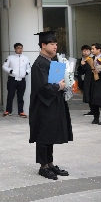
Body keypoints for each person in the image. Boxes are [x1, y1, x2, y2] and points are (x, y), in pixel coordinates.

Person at [29, 31, 72, 180]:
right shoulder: (39, 64)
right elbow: (42, 88)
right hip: (43, 105)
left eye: (56, 44)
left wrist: (66, 83)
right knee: (43, 134)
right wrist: (59, 86)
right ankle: (43, 167)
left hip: (52, 103)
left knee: (50, 134)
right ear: (43, 45)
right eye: (52, 44)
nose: (55, 47)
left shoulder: (51, 62)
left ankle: (50, 163)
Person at [2, 43, 31, 117]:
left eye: (21, 48)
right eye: (18, 48)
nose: (20, 49)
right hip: (12, 79)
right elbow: (4, 66)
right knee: (10, 96)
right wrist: (11, 71)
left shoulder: (26, 58)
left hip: (22, 80)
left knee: (20, 97)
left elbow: (29, 67)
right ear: (15, 49)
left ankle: (21, 111)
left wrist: (26, 72)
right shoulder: (10, 58)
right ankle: (8, 111)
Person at [87, 43, 101, 125]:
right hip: (92, 82)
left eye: (93, 49)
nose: (92, 50)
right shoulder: (91, 59)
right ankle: (96, 118)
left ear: (99, 50)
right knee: (93, 101)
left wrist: (100, 72)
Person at [76, 45, 94, 117]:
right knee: (87, 95)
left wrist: (84, 66)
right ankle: (92, 110)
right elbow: (79, 71)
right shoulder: (82, 59)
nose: (85, 52)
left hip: (91, 80)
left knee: (92, 95)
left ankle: (94, 110)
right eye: (84, 51)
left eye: (87, 51)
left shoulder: (92, 59)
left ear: (90, 51)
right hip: (84, 80)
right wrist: (81, 65)